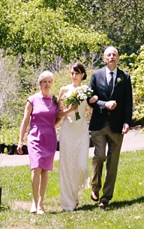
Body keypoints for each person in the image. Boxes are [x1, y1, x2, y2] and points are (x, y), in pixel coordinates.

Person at [88, 46, 133, 208]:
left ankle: (106, 196)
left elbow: (128, 101)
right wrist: (104, 104)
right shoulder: (96, 75)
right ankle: (95, 187)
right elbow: (89, 98)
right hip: (99, 124)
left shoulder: (125, 77)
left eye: (114, 54)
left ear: (118, 58)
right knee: (99, 155)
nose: (112, 57)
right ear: (104, 59)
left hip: (117, 125)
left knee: (113, 162)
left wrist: (127, 122)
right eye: (109, 55)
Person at [17, 70, 60, 214]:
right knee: (36, 168)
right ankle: (34, 203)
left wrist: (67, 113)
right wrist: (20, 141)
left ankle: (41, 203)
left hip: (50, 138)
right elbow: (24, 121)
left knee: (45, 171)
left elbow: (57, 119)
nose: (47, 84)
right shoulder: (32, 100)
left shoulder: (55, 100)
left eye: (49, 81)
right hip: (35, 137)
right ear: (40, 84)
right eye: (44, 82)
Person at [57, 62, 92, 211]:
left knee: (81, 165)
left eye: (77, 73)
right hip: (68, 129)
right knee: (67, 166)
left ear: (83, 74)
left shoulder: (87, 90)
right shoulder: (64, 89)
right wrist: (69, 110)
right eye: (72, 73)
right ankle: (69, 201)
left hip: (82, 130)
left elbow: (92, 108)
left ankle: (76, 192)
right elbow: (58, 114)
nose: (74, 76)